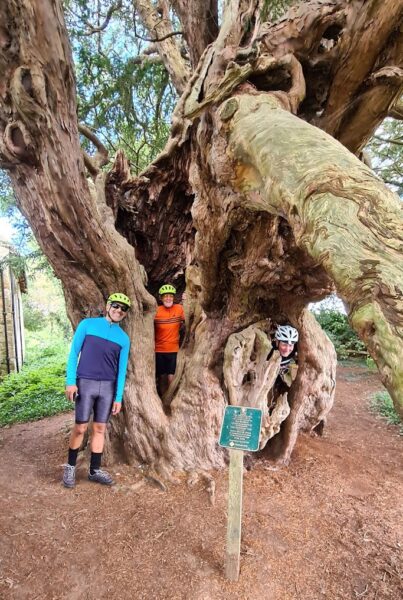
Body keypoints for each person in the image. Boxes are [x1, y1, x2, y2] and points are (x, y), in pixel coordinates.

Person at [62, 293, 131, 488]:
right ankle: (70, 467)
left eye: (123, 309)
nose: (119, 310)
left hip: (107, 388)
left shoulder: (123, 339)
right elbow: (73, 353)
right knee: (81, 427)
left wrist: (118, 397)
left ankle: (94, 470)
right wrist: (70, 381)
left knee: (100, 428)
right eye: (116, 306)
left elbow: (122, 370)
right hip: (85, 383)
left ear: (125, 314)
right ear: (108, 306)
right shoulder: (87, 325)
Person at [154, 284, 185, 397]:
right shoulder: (156, 311)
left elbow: (190, 317)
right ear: (161, 298)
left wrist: (187, 300)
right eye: (165, 296)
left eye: (170, 296)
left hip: (173, 350)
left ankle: (170, 398)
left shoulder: (179, 309)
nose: (168, 298)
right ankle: (163, 399)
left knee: (171, 377)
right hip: (159, 350)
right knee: (162, 377)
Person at [267, 324, 299, 410]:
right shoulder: (269, 351)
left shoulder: (294, 350)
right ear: (277, 342)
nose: (287, 349)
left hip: (283, 374)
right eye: (284, 344)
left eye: (291, 345)